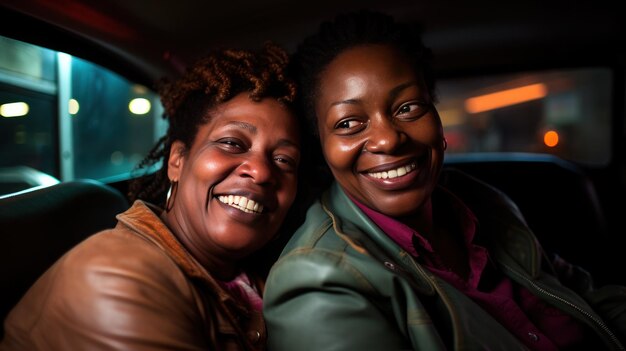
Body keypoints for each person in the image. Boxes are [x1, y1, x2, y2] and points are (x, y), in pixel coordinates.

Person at [263, 10, 626, 350]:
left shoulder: (481, 201)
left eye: (408, 108)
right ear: (322, 147)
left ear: (436, 119)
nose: (388, 139)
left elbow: (585, 297)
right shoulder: (317, 281)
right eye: (348, 123)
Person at [1, 42, 303, 351]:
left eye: (284, 160)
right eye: (232, 143)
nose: (262, 172)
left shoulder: (258, 276)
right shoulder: (118, 279)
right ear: (177, 161)